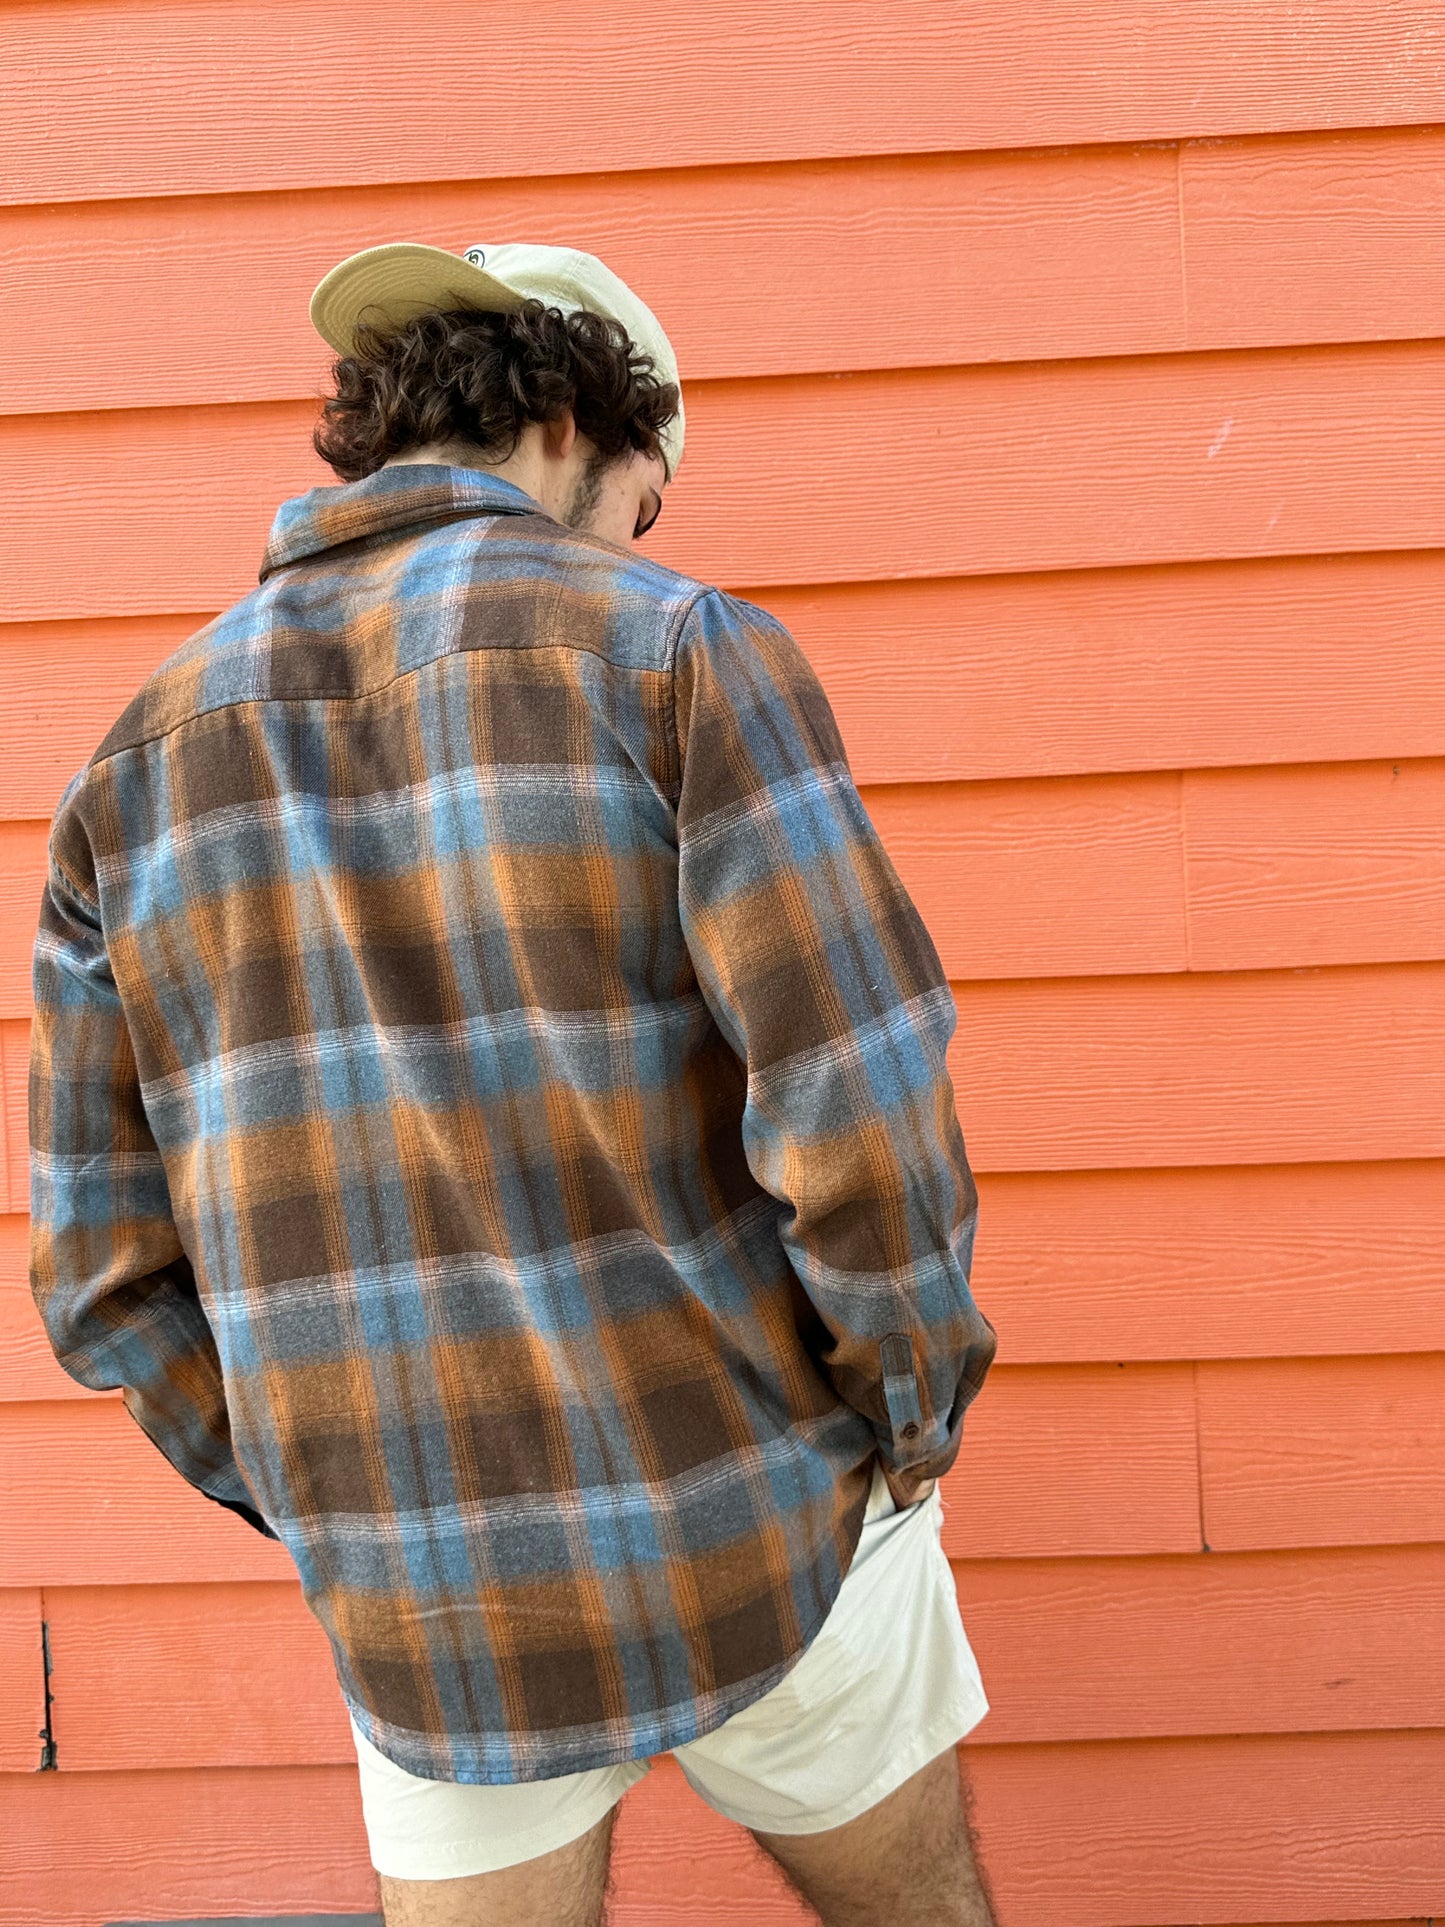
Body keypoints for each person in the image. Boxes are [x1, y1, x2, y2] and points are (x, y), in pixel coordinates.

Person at [28, 239, 1001, 1926]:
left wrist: (340, 1494)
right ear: (573, 411)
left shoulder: (128, 769)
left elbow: (100, 1276)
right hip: (764, 1519)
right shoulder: (683, 654)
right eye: (647, 504)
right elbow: (861, 1108)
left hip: (428, 1609)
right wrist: (910, 1412)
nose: (645, 549)